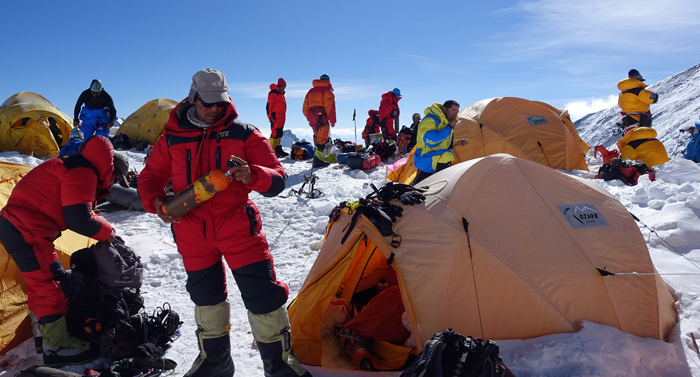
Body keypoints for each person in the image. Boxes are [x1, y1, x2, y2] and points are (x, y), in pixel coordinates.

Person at [137, 68, 309, 377]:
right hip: (191, 231)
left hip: (237, 228)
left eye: (220, 103)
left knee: (263, 296)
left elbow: (278, 178)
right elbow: (150, 177)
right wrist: (157, 202)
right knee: (206, 298)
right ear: (193, 98)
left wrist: (254, 174)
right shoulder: (172, 136)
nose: (215, 109)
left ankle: (280, 366)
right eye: (208, 103)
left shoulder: (243, 132)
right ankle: (215, 362)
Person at [0, 136, 129, 367]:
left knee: (42, 284)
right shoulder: (83, 171)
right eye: (116, 178)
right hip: (27, 229)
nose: (113, 184)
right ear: (110, 168)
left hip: (21, 227)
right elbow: (79, 219)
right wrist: (107, 232)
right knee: (52, 286)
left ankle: (44, 337)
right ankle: (57, 347)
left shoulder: (73, 165)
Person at [412, 100, 468, 185]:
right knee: (447, 156)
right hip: (426, 158)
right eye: (453, 110)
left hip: (436, 158)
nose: (456, 114)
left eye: (457, 111)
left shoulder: (446, 122)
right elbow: (431, 141)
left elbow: (442, 143)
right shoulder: (430, 120)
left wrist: (456, 143)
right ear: (444, 109)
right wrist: (449, 127)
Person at [302, 73, 336, 168]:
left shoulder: (310, 91)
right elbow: (330, 107)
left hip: (313, 117)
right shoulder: (327, 91)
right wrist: (332, 120)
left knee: (317, 137)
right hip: (322, 116)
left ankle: (317, 158)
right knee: (322, 139)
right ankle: (318, 160)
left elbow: (304, 108)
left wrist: (309, 117)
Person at [267, 77, 289, 158]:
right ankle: (271, 152)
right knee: (274, 133)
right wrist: (270, 117)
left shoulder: (281, 94)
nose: (285, 87)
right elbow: (269, 106)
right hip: (275, 116)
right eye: (284, 86)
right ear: (281, 85)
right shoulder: (273, 93)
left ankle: (278, 149)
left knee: (279, 133)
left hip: (281, 117)